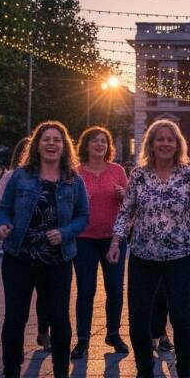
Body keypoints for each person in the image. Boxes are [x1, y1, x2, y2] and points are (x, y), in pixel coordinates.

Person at [108, 119, 190, 378]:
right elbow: (126, 211)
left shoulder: (188, 175)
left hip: (180, 255)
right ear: (152, 144)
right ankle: (144, 373)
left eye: (171, 139)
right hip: (143, 255)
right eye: (160, 139)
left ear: (178, 143)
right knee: (138, 317)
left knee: (180, 316)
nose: (166, 143)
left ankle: (185, 375)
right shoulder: (139, 175)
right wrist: (116, 241)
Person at [0, 121, 89, 378]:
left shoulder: (74, 179)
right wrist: (2, 225)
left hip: (57, 258)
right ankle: (11, 377)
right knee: (15, 318)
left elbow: (83, 217)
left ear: (64, 146)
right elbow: (4, 209)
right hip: (19, 258)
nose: (51, 144)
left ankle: (62, 375)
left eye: (57, 140)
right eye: (46, 139)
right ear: (37, 145)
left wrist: (65, 232)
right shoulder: (21, 177)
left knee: (59, 317)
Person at [71, 127, 130, 359]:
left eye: (103, 141)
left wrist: (123, 195)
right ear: (86, 145)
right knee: (86, 290)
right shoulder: (76, 173)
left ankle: (113, 333)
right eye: (94, 141)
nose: (99, 145)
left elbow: (129, 203)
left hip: (113, 238)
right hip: (84, 238)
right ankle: (83, 339)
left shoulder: (117, 170)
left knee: (115, 288)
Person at [0, 137, 51, 351]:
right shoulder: (12, 176)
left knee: (46, 295)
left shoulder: (51, 175)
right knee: (18, 305)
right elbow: (0, 204)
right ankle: (13, 356)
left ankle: (44, 331)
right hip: (19, 247)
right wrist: (5, 223)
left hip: (46, 247)